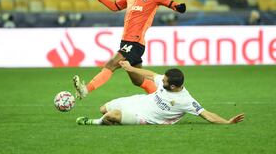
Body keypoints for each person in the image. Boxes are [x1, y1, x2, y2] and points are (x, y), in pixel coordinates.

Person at [73, 0, 186, 99]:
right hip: (126, 41)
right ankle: (164, 100)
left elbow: (170, 3)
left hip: (135, 42)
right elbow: (115, 6)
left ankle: (86, 89)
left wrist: (178, 7)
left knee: (111, 64)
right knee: (138, 81)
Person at [76, 61, 245, 125]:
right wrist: (130, 68)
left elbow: (207, 115)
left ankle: (95, 123)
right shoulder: (166, 82)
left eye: (164, 82)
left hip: (144, 118)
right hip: (140, 101)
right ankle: (105, 120)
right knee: (103, 108)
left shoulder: (185, 100)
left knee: (110, 115)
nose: (161, 81)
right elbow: (150, 74)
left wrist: (227, 122)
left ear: (173, 87)